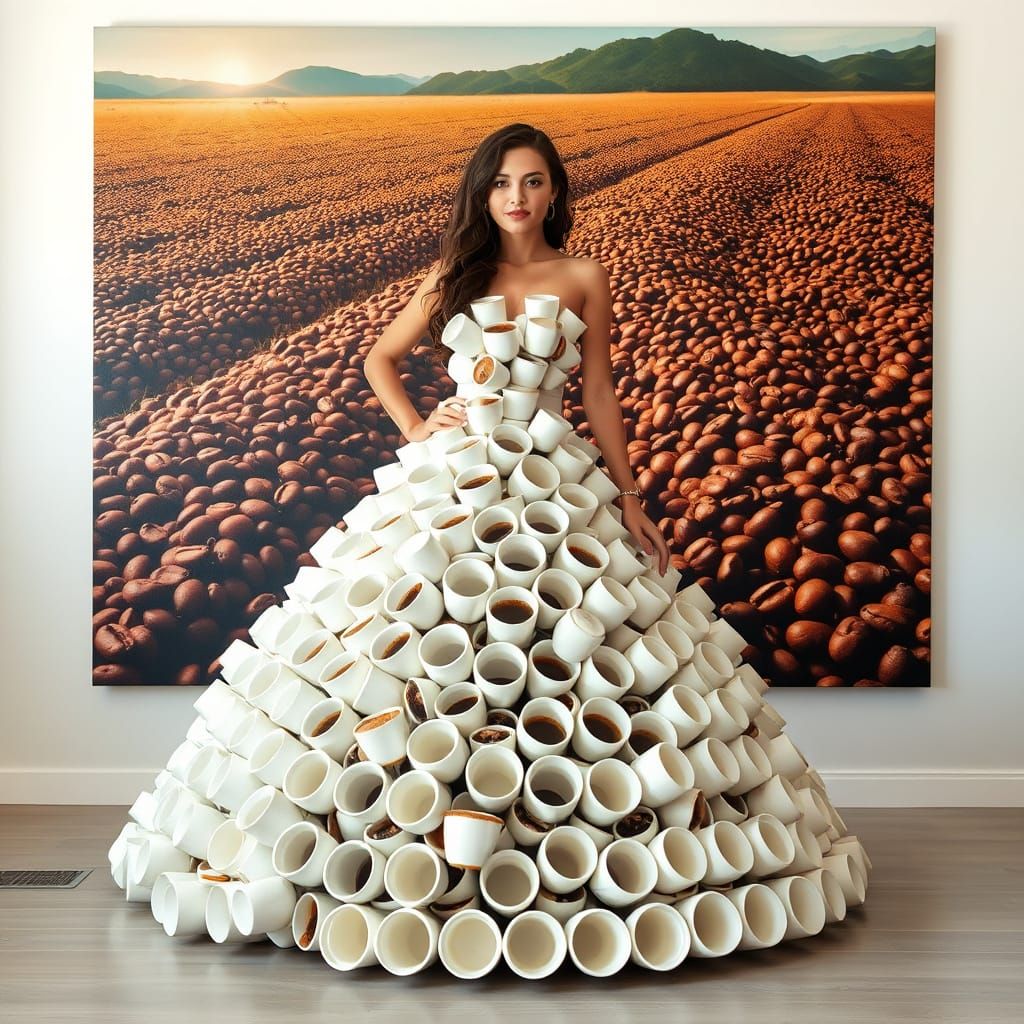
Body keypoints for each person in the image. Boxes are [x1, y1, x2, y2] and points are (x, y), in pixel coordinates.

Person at [365, 123, 671, 576]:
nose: (517, 198)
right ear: (483, 195)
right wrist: (414, 427)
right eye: (501, 183)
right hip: (459, 460)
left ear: (554, 193)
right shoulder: (454, 272)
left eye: (533, 182)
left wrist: (628, 497)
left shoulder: (586, 276)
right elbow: (380, 359)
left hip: (549, 464)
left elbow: (600, 392)